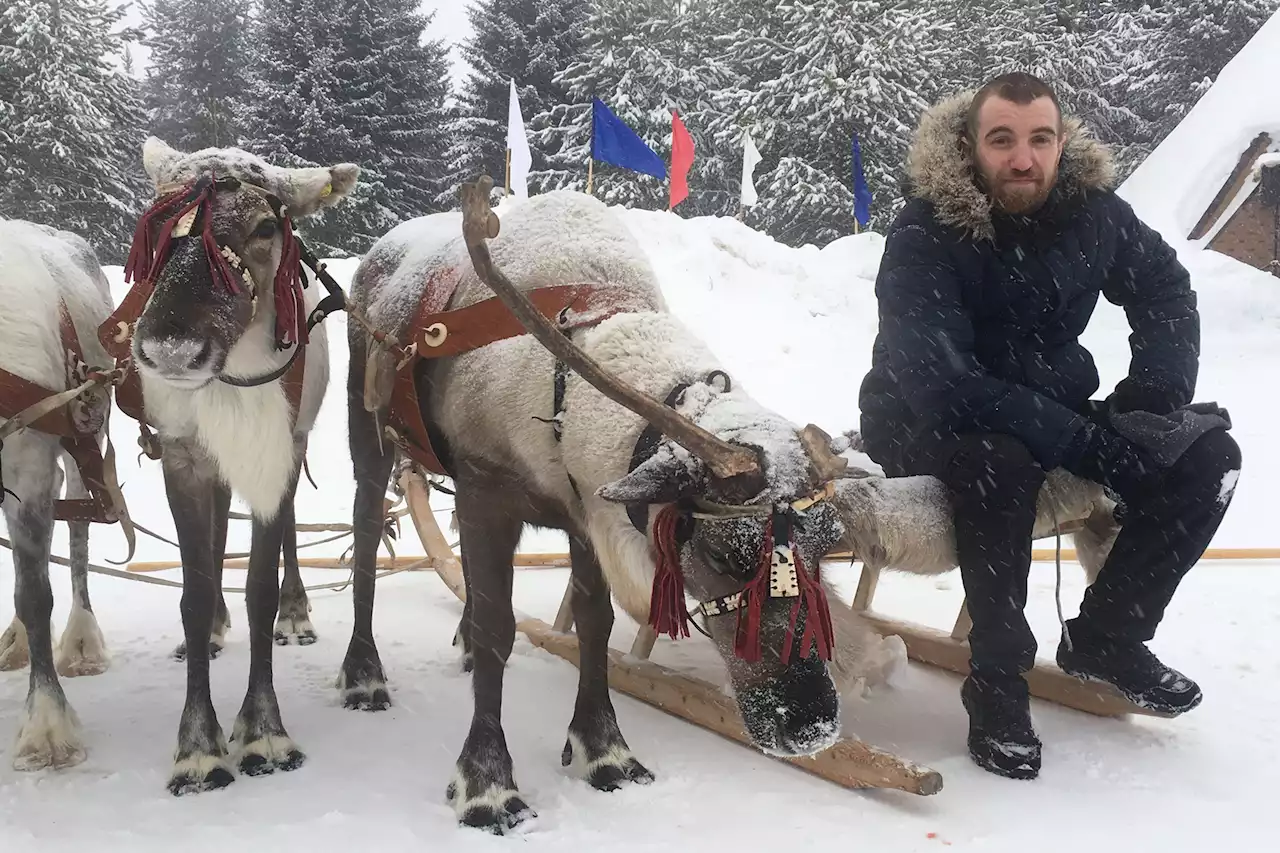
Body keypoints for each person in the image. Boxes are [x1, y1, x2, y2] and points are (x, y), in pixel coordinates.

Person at [857, 72, 1241, 780]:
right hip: (923, 420)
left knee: (1208, 455)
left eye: (1039, 140)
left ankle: (1108, 635)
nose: (1023, 159)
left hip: (1051, 408)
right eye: (1002, 140)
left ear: (1062, 144)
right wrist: (1086, 443)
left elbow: (1164, 288)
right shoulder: (925, 229)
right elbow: (942, 383)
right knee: (1000, 463)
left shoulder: (1093, 214)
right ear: (973, 146)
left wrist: (1151, 399)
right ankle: (996, 680)